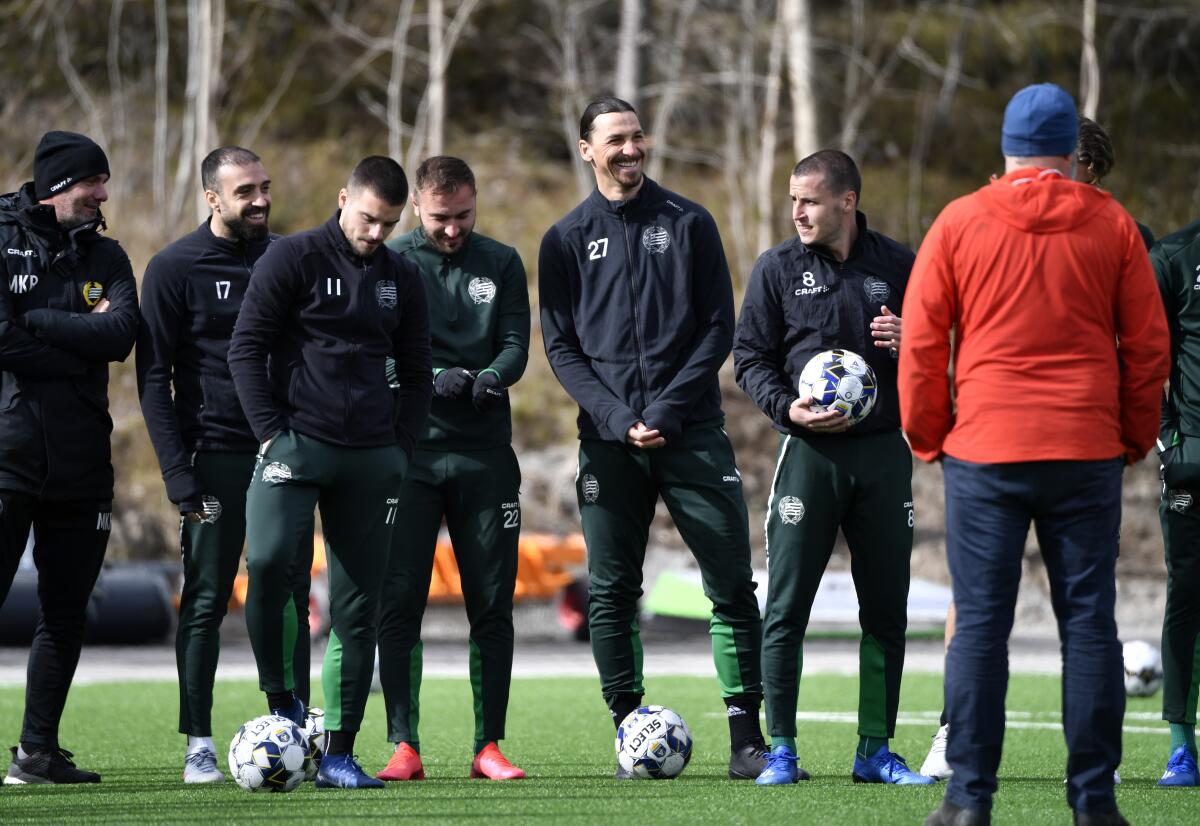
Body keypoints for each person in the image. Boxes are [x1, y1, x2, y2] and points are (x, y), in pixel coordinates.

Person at [901, 83, 1170, 826]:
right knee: (1088, 624)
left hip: (986, 448)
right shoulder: (1112, 224)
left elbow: (923, 344)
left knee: (981, 626)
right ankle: (1093, 802)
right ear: (1069, 152)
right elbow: (1147, 346)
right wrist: (1133, 435)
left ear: (1007, 148)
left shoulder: (960, 221)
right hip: (1083, 446)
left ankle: (966, 799)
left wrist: (928, 434)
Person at [539, 96, 768, 780]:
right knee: (612, 593)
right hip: (608, 444)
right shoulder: (565, 238)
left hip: (691, 431)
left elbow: (716, 328)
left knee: (730, 586)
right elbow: (561, 346)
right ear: (587, 150)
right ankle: (627, 728)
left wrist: (666, 408)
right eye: (616, 139)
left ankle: (746, 739)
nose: (632, 148)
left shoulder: (690, 222)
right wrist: (614, 417)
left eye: (638, 136)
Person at [228, 155, 432, 789]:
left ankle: (340, 754)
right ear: (344, 199)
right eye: (368, 218)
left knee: (358, 608)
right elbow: (246, 347)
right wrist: (270, 434)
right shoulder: (292, 259)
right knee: (266, 565)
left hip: (373, 457)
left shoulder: (402, 274)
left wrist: (402, 445)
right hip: (297, 445)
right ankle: (282, 698)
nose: (375, 234)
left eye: (389, 224)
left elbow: (418, 364)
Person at [733, 149, 932, 786]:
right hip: (807, 454)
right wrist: (785, 407)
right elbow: (749, 358)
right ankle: (783, 750)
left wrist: (916, 343)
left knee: (886, 610)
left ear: (847, 201)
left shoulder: (902, 265)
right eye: (793, 199)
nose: (797, 212)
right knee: (787, 605)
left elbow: (946, 352)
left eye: (810, 200)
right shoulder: (777, 269)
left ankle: (875, 750)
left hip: (881, 455)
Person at [137, 146, 314, 784]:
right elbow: (154, 381)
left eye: (265, 187)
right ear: (213, 198)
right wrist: (178, 476)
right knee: (207, 599)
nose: (261, 199)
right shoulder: (173, 267)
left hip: (285, 455)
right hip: (212, 457)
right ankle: (199, 744)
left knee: (291, 591)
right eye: (246, 191)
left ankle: (293, 725)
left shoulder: (292, 258)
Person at [375, 156, 530, 782]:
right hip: (408, 457)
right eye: (440, 218)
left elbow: (518, 342)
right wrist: (434, 378)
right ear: (417, 207)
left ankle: (487, 745)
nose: (452, 229)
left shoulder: (502, 261)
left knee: (491, 604)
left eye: (463, 215)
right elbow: (377, 350)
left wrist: (491, 377)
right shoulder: (390, 261)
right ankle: (403, 744)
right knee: (399, 601)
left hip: (486, 459)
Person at [0, 131, 139, 784]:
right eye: (93, 184)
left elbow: (119, 336)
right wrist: (78, 339)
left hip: (83, 467)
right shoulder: (1, 239)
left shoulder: (108, 254)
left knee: (64, 613)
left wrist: (40, 324)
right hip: (9, 459)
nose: (103, 195)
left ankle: (37, 753)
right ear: (59, 186)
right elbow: (0, 340)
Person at [1151, 215, 1200, 787]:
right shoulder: (1174, 256)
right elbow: (1144, 357)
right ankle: (1181, 747)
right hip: (1194, 463)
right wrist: (1170, 441)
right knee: (1188, 596)